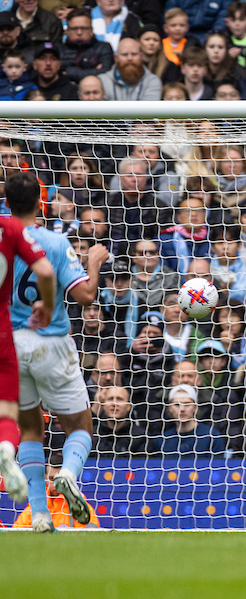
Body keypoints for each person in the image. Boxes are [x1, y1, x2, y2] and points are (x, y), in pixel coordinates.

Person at [12, 170, 109, 532]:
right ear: (41, 203)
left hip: (12, 344)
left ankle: (39, 514)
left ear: (6, 203)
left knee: (30, 430)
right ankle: (67, 474)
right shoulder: (53, 242)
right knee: (80, 425)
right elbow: (84, 296)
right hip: (51, 341)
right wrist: (93, 264)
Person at [0, 172, 56, 510]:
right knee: (9, 412)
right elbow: (46, 272)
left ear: (6, 201)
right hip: (4, 331)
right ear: (38, 203)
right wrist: (47, 308)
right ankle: (6, 450)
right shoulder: (11, 229)